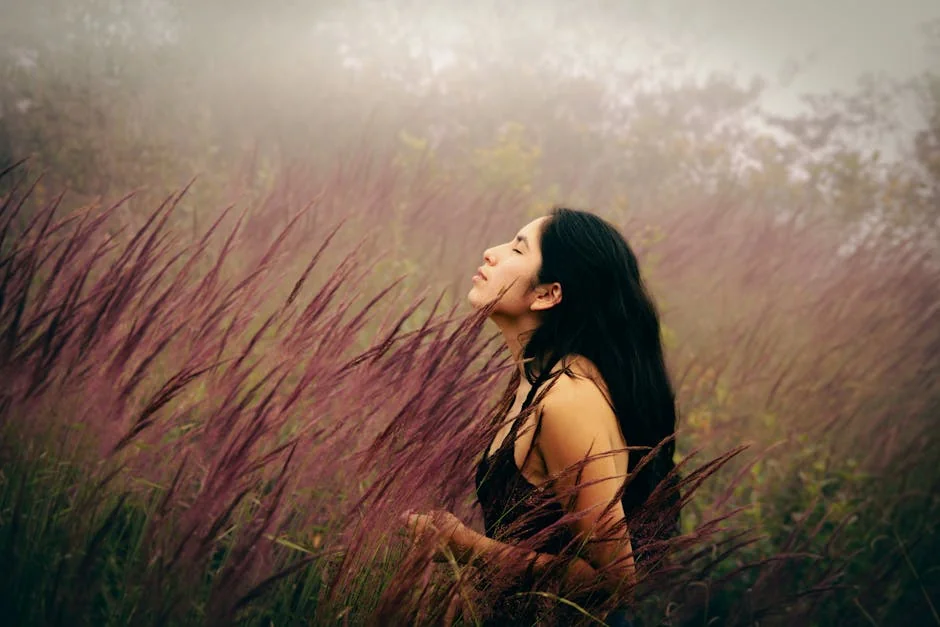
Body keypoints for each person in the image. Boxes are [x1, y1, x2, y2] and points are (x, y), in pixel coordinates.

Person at [403, 208, 679, 626]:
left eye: (517, 248)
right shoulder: (533, 380)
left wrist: (461, 543)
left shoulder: (568, 400)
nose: (491, 253)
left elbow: (615, 583)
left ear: (548, 294)